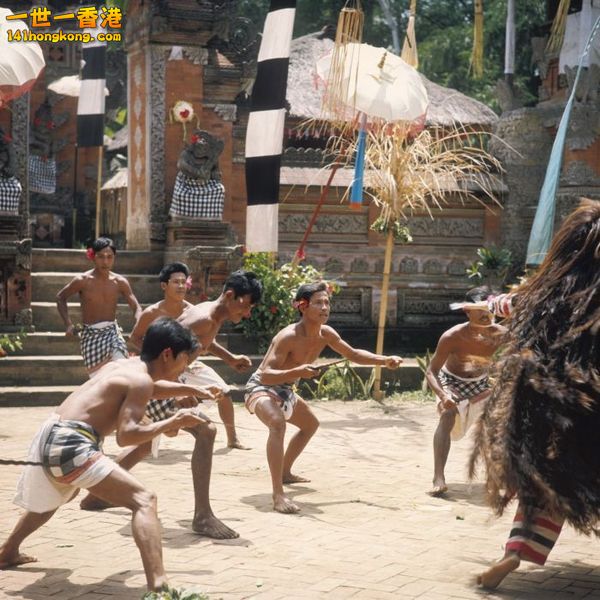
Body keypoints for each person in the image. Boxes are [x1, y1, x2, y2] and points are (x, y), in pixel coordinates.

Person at [0, 318, 211, 594]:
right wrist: (174, 422)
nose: (186, 368)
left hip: (51, 434)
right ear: (168, 354)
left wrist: (192, 389)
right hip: (71, 444)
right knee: (144, 500)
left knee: (57, 495)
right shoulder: (141, 381)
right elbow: (128, 435)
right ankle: (159, 587)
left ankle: (7, 551)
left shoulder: (125, 365)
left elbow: (150, 388)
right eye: (185, 361)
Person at [471, 198, 600, 589]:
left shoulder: (557, 287)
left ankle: (511, 558)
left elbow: (517, 303)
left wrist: (493, 303)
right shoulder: (566, 290)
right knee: (551, 480)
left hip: (562, 407)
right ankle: (510, 558)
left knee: (545, 485)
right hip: (571, 405)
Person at [81, 269, 263, 540]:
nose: (246, 313)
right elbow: (168, 351)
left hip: (158, 376)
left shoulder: (211, 314)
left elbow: (201, 344)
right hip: (155, 379)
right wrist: (177, 392)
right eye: (245, 305)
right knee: (206, 431)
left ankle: (97, 494)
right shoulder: (204, 317)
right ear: (229, 295)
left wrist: (229, 358)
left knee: (144, 444)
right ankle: (203, 516)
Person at [244, 281, 402, 514]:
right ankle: (278, 495)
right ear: (303, 306)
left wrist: (384, 359)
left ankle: (285, 472)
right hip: (261, 387)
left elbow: (354, 354)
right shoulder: (287, 336)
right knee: (277, 423)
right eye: (319, 303)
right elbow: (266, 376)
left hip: (286, 389)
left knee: (310, 425)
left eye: (327, 302)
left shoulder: (326, 334)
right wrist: (298, 372)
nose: (325, 307)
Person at [425, 287, 506, 497]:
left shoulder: (500, 334)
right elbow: (431, 371)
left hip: (481, 383)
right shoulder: (452, 336)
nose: (485, 314)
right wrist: (444, 396)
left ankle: (498, 475)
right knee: (447, 414)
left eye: (488, 309)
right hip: (451, 381)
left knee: (499, 419)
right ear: (467, 312)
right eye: (479, 310)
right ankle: (438, 477)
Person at [56, 237, 142, 376]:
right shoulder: (82, 280)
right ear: (93, 257)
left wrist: (139, 322)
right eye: (101, 257)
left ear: (114, 258)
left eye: (109, 257)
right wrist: (68, 324)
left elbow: (136, 307)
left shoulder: (120, 281)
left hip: (112, 334)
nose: (105, 261)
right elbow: (61, 297)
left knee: (122, 373)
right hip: (90, 337)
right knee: (99, 382)